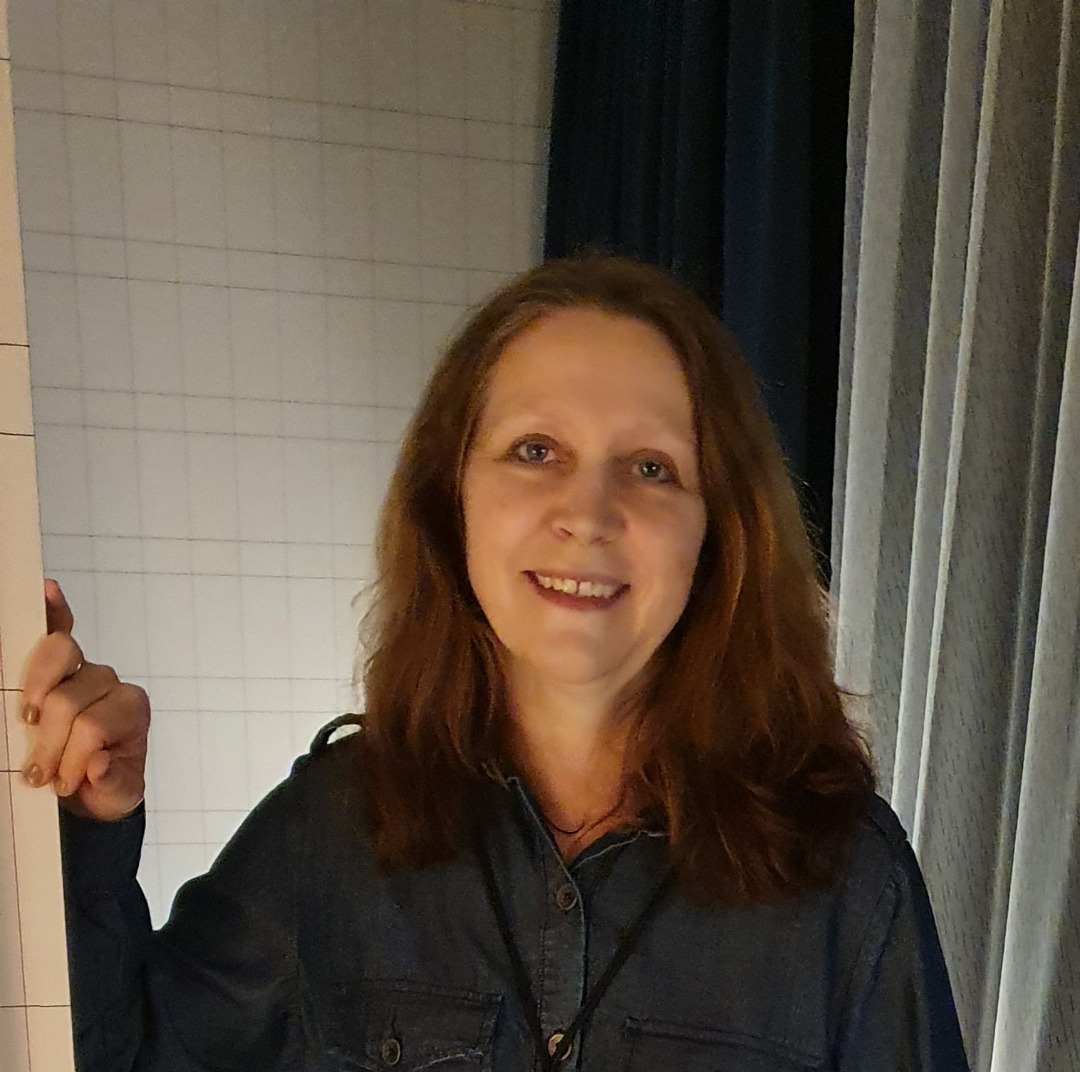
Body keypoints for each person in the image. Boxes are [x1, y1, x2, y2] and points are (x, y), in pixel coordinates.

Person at [19, 256, 970, 1071]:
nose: (587, 514)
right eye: (535, 449)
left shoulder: (846, 876)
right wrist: (87, 824)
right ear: (454, 497)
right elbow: (118, 1056)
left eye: (652, 467)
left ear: (716, 532)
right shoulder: (334, 829)